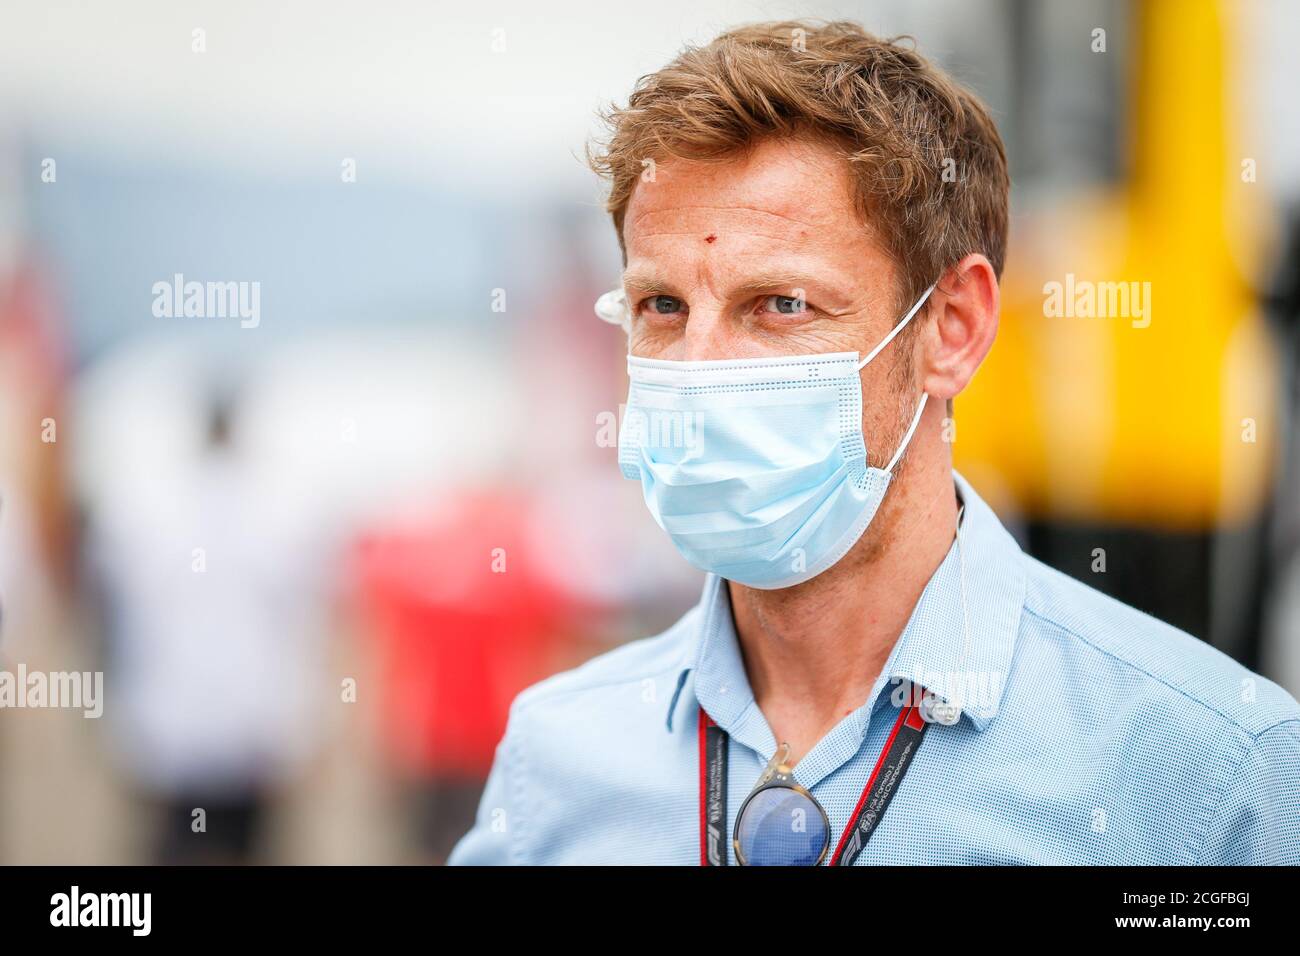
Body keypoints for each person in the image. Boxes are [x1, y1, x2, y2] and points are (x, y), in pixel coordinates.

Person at [448, 20, 1300, 865]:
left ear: (953, 327)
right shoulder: (557, 761)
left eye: (781, 305)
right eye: (662, 307)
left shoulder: (1210, 772)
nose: (699, 368)